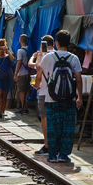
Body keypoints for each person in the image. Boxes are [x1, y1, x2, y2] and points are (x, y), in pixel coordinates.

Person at [34, 30, 82, 163]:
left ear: (56, 43)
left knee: (53, 126)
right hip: (69, 98)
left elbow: (39, 70)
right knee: (67, 126)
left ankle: (52, 155)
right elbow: (78, 79)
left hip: (52, 97)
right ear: (69, 43)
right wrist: (79, 97)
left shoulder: (49, 57)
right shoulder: (74, 58)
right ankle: (63, 155)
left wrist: (39, 55)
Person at [29, 35, 55, 156]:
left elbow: (37, 67)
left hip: (44, 91)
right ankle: (55, 144)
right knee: (55, 119)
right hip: (58, 92)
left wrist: (37, 55)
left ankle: (47, 145)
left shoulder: (44, 56)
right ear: (54, 44)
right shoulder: (59, 55)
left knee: (45, 119)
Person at [0, 39, 15, 118]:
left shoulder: (8, 57)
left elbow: (13, 60)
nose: (1, 51)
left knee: (4, 95)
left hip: (7, 78)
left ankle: (2, 111)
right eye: (0, 49)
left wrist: (8, 51)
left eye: (3, 49)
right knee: (0, 94)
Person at [14, 34, 30, 114]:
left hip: (22, 73)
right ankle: (26, 107)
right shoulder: (30, 49)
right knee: (27, 91)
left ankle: (24, 108)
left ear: (20, 40)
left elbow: (19, 62)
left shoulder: (20, 51)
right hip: (29, 73)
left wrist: (15, 73)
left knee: (21, 91)